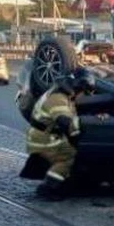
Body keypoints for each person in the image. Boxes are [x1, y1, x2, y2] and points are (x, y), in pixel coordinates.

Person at [25, 70, 96, 199]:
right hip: (44, 139)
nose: (84, 96)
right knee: (69, 156)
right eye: (84, 92)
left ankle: (64, 181)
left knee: (73, 151)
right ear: (78, 87)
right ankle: (49, 187)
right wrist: (79, 135)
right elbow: (65, 122)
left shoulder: (61, 95)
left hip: (45, 136)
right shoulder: (58, 99)